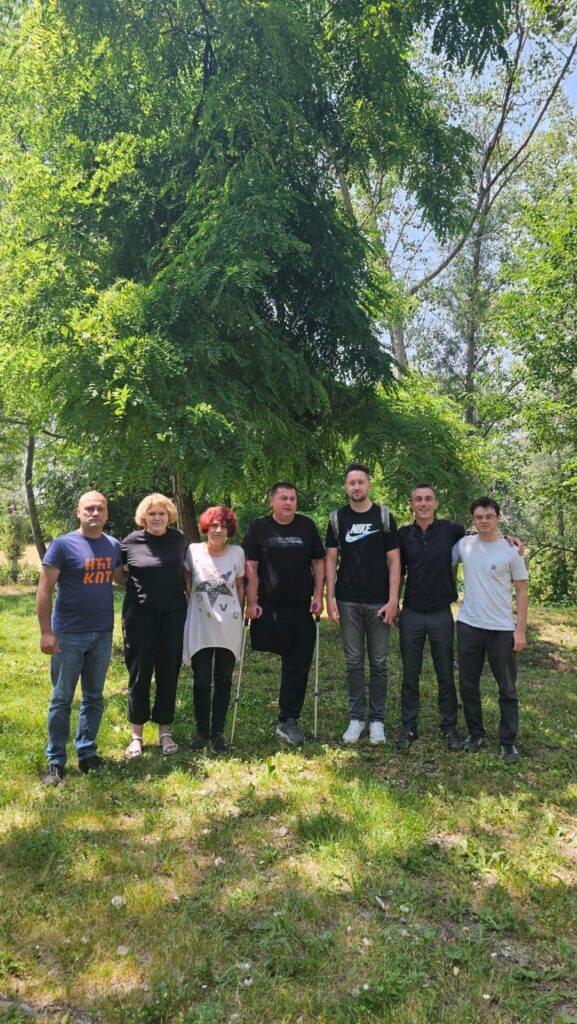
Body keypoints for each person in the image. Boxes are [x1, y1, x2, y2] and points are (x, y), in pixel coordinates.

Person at [36, 491, 123, 784]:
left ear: (107, 513)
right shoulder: (62, 545)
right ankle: (55, 761)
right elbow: (44, 590)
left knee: (94, 697)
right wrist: (46, 632)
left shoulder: (113, 546)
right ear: (78, 512)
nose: (94, 513)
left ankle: (86, 754)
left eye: (100, 509)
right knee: (61, 699)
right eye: (89, 508)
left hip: (102, 633)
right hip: (68, 634)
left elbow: (123, 577)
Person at [244, 482, 325, 746]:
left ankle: (288, 719)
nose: (288, 503)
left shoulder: (307, 526)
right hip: (269, 608)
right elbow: (251, 567)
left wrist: (319, 596)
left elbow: (318, 562)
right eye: (283, 498)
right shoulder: (259, 527)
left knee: (298, 664)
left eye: (292, 498)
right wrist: (251, 601)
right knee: (272, 656)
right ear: (272, 501)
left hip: (301, 607)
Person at [325, 463, 400, 745]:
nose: (356, 487)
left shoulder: (383, 516)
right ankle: (356, 719)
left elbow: (395, 561)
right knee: (354, 662)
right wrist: (329, 598)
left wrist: (393, 600)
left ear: (369, 485)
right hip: (348, 601)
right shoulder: (336, 518)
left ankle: (377, 721)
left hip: (380, 601)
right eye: (351, 482)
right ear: (345, 486)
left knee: (379, 663)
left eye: (361, 482)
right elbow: (331, 560)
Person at [453, 497, 528, 763]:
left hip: (501, 629)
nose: (484, 521)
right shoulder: (464, 545)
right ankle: (476, 733)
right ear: (473, 520)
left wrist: (519, 630)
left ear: (498, 518)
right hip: (469, 625)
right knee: (468, 684)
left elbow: (521, 591)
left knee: (507, 687)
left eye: (489, 516)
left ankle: (508, 741)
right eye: (478, 517)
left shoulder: (511, 551)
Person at [396, 484, 466, 752]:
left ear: (436, 503)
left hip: (440, 613)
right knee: (410, 674)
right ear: (411, 504)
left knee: (445, 672)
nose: (423, 503)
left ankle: (449, 727)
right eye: (418, 499)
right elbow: (396, 572)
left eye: (428, 499)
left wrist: (509, 539)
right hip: (412, 612)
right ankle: (408, 726)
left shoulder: (451, 530)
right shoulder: (403, 534)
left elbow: (483, 535)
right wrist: (394, 604)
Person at [120, 494, 188, 758]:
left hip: (173, 613)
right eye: (152, 514)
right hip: (139, 615)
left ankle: (164, 731)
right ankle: (136, 735)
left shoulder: (179, 539)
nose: (157, 518)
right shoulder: (130, 541)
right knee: (139, 672)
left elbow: (187, 572)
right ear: (143, 517)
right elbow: (118, 574)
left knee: (168, 670)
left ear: (169, 515)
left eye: (161, 513)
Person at [183, 506, 245, 753]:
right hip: (200, 623)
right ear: (206, 527)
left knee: (223, 679)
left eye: (224, 526)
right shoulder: (192, 551)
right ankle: (201, 731)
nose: (218, 530)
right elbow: (187, 581)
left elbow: (239, 584)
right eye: (214, 525)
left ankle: (218, 732)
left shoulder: (237, 553)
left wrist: (239, 613)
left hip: (229, 624)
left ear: (230, 530)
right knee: (200, 680)